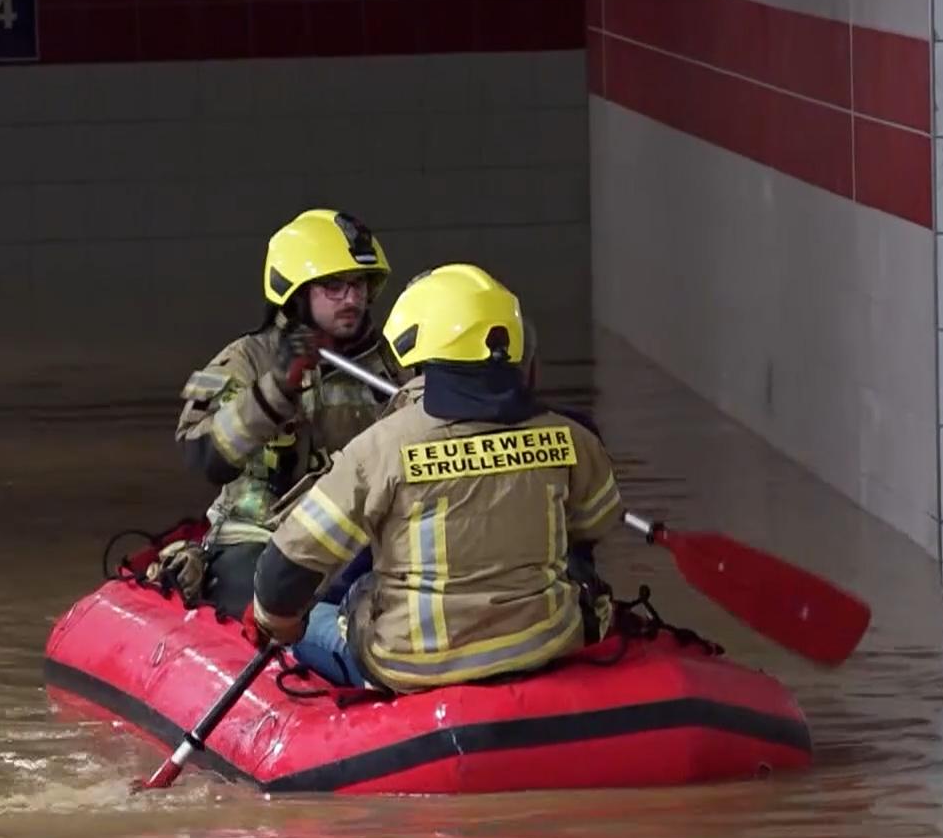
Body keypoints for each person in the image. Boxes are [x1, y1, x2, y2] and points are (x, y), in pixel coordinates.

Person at [245, 264, 624, 691]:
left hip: (413, 666)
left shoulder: (378, 450)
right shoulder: (572, 437)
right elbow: (595, 524)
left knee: (316, 616)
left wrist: (274, 622)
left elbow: (284, 571)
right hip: (543, 643)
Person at [170, 209, 407, 617]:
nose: (352, 299)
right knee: (262, 601)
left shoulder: (395, 362)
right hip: (263, 536)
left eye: (359, 285)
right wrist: (275, 390)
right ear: (295, 292)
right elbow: (202, 456)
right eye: (334, 287)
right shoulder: (245, 361)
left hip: (363, 537)